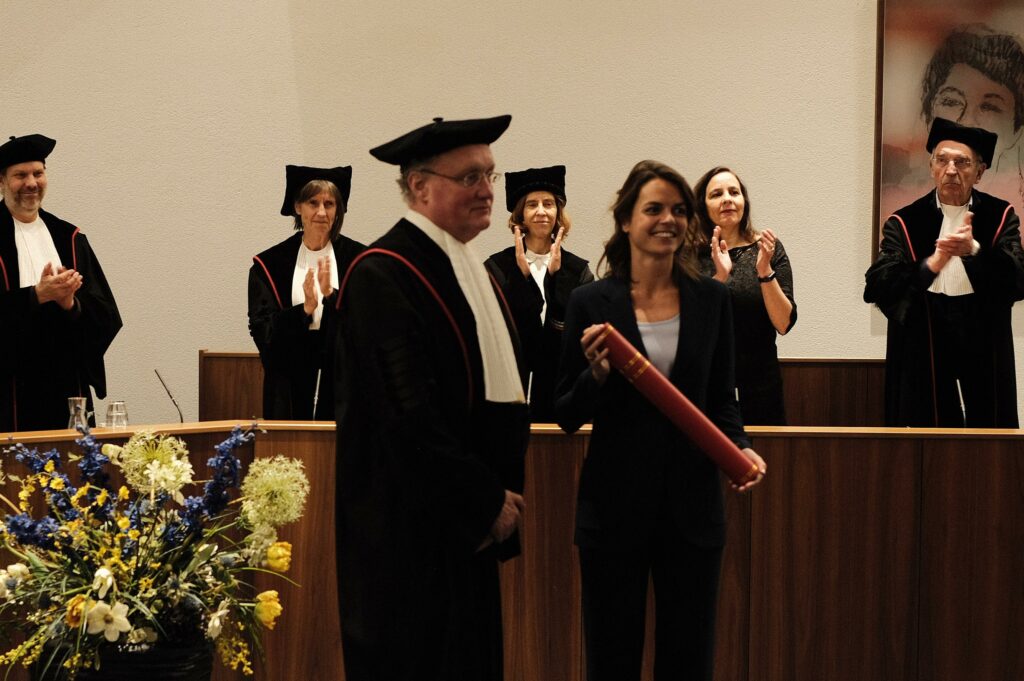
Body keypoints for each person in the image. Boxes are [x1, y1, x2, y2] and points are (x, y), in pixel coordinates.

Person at [333, 115, 530, 681]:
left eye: (491, 174)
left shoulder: (473, 268)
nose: (489, 190)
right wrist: (485, 500)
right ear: (420, 186)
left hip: (463, 537)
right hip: (406, 543)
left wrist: (495, 500)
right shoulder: (382, 274)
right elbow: (407, 415)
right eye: (470, 177)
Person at [555, 160, 765, 681]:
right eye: (654, 209)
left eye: (678, 210)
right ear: (626, 219)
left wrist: (738, 445)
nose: (668, 219)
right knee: (611, 661)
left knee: (689, 661)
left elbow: (722, 397)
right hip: (612, 511)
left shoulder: (712, 299)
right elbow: (563, 415)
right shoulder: (588, 301)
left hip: (692, 512)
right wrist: (597, 374)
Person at [865, 117, 1024, 427]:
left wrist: (974, 251)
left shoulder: (1000, 214)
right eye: (942, 160)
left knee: (987, 425)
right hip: (925, 330)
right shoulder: (903, 221)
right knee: (928, 430)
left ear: (979, 172)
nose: (951, 169)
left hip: (982, 328)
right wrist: (933, 264)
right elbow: (878, 285)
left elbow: (1017, 279)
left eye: (962, 162)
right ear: (931, 168)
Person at [0, 134, 122, 432]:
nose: (31, 183)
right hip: (9, 390)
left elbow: (107, 315)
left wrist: (71, 304)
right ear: (2, 181)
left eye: (38, 173)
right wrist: (35, 296)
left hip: (65, 387)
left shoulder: (70, 238)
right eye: (20, 175)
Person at [248, 165, 364, 419]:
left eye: (329, 203)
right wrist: (305, 310)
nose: (321, 212)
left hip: (342, 386)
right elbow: (264, 335)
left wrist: (332, 298)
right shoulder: (270, 264)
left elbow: (369, 330)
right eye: (313, 202)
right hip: (289, 385)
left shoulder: (360, 260)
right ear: (298, 207)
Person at [485, 165, 594, 422]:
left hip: (560, 389)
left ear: (558, 213)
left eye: (549, 204)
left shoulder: (578, 270)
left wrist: (556, 280)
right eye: (532, 204)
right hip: (510, 389)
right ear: (520, 215)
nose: (542, 211)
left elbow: (577, 337)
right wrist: (521, 282)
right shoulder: (497, 268)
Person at [693, 166, 796, 425]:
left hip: (760, 383)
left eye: (734, 192)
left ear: (744, 202)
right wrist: (719, 277)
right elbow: (687, 325)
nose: (727, 198)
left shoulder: (767, 249)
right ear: (703, 206)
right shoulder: (687, 255)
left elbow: (783, 323)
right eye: (716, 194)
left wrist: (764, 271)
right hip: (705, 382)